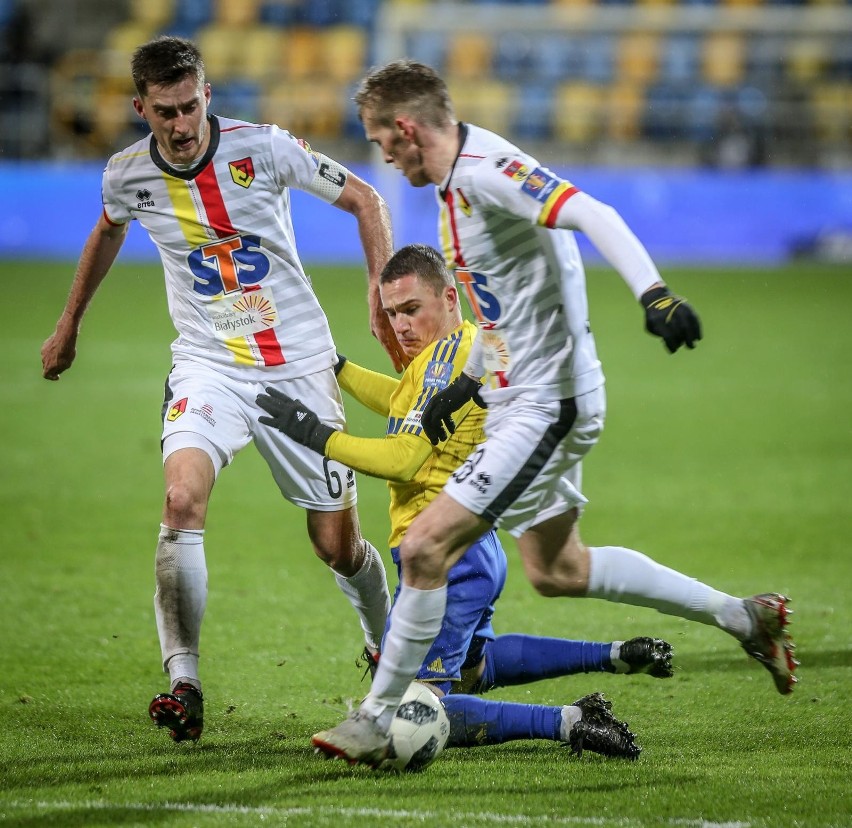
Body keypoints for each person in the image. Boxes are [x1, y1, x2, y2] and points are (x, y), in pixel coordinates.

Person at [301, 60, 798, 766]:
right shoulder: (450, 196)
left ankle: (379, 716)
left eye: (382, 141)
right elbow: (506, 309)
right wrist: (460, 388)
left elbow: (596, 212)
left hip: (546, 402)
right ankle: (740, 616)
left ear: (406, 129)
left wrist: (653, 294)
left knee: (423, 547)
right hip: (514, 397)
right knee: (557, 568)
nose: (382, 155)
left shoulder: (487, 170)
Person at [39, 36, 404, 744]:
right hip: (210, 364)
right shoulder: (126, 176)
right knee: (181, 499)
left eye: (191, 106)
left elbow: (364, 199)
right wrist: (69, 323)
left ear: (207, 95)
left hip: (298, 367)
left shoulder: (263, 148)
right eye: (165, 112)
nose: (181, 125)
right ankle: (184, 682)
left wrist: (379, 296)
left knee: (336, 544)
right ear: (141, 107)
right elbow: (107, 231)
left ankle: (381, 636)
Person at [258, 243, 678, 760]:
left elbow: (403, 460)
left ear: (449, 297)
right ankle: (614, 654)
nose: (401, 326)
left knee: (412, 706)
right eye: (392, 315)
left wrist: (315, 434)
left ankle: (570, 721)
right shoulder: (445, 355)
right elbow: (399, 401)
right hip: (473, 550)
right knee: (478, 668)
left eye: (412, 310)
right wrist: (337, 367)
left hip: (443, 555)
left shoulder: (451, 354)